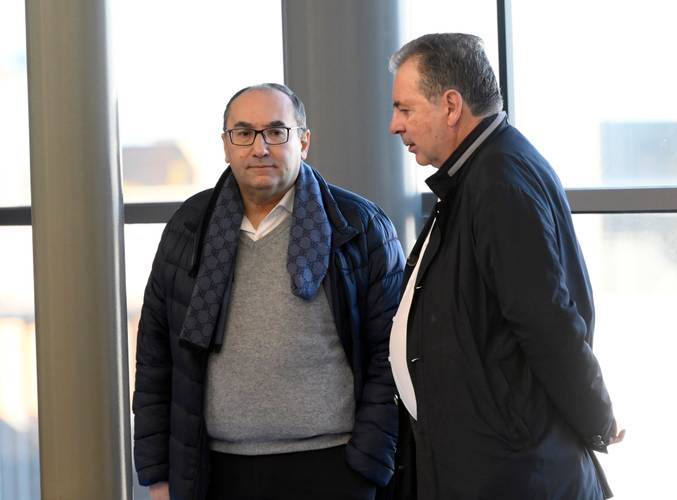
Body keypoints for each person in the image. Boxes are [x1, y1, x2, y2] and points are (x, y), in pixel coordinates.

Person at [133, 83, 405, 500]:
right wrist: (158, 476)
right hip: (215, 471)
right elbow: (155, 358)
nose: (259, 148)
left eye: (276, 132)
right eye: (244, 133)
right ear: (226, 145)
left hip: (334, 468)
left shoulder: (359, 227)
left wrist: (369, 466)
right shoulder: (189, 228)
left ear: (304, 141)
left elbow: (391, 354)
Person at [387, 33, 624, 500]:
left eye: (405, 108)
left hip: (513, 471)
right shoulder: (479, 172)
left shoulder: (497, 180)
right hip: (494, 463)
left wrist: (596, 416)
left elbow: (546, 320)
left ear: (451, 106)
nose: (395, 125)